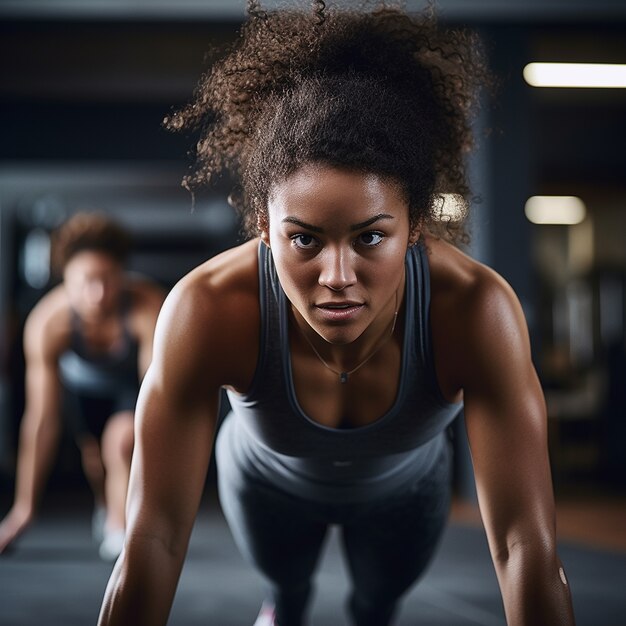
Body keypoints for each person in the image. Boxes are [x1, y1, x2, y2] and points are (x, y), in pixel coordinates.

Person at [98, 2, 576, 624]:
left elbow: (526, 550)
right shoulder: (209, 308)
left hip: (406, 492)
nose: (338, 277)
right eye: (305, 240)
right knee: (289, 600)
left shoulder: (475, 311)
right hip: (265, 485)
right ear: (265, 229)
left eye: (371, 238)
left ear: (417, 227)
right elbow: (151, 539)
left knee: (375, 609)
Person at [0, 212, 164, 561]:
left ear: (122, 275)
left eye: (108, 279)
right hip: (83, 391)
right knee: (95, 459)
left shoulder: (147, 307)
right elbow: (41, 421)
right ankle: (107, 505)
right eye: (87, 280)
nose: (98, 293)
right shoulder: (48, 323)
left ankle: (119, 524)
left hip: (129, 387)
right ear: (66, 278)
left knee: (121, 441)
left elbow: (157, 395)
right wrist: (22, 512)